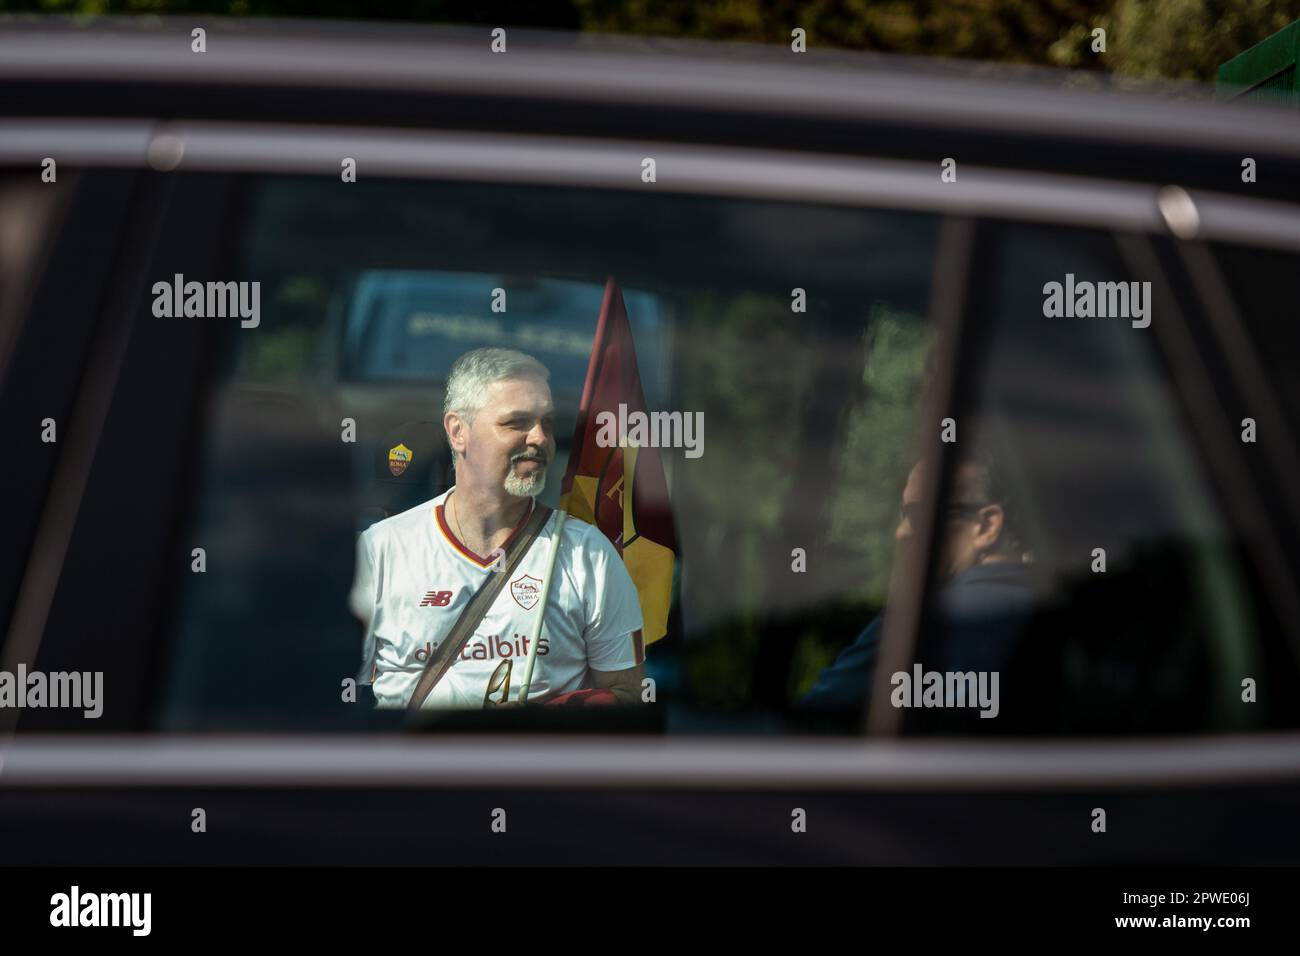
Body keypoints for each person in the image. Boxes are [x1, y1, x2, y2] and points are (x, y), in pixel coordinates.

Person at [348, 347, 645, 709]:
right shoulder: (381, 550)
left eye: (547, 424)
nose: (539, 438)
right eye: (516, 422)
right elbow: (334, 697)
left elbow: (628, 696)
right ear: (458, 432)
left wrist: (566, 719)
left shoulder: (589, 555)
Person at [801, 448, 1035, 710]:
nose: (901, 533)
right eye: (904, 516)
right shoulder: (1061, 623)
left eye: (918, 514)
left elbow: (809, 720)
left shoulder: (919, 620)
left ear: (986, 526)